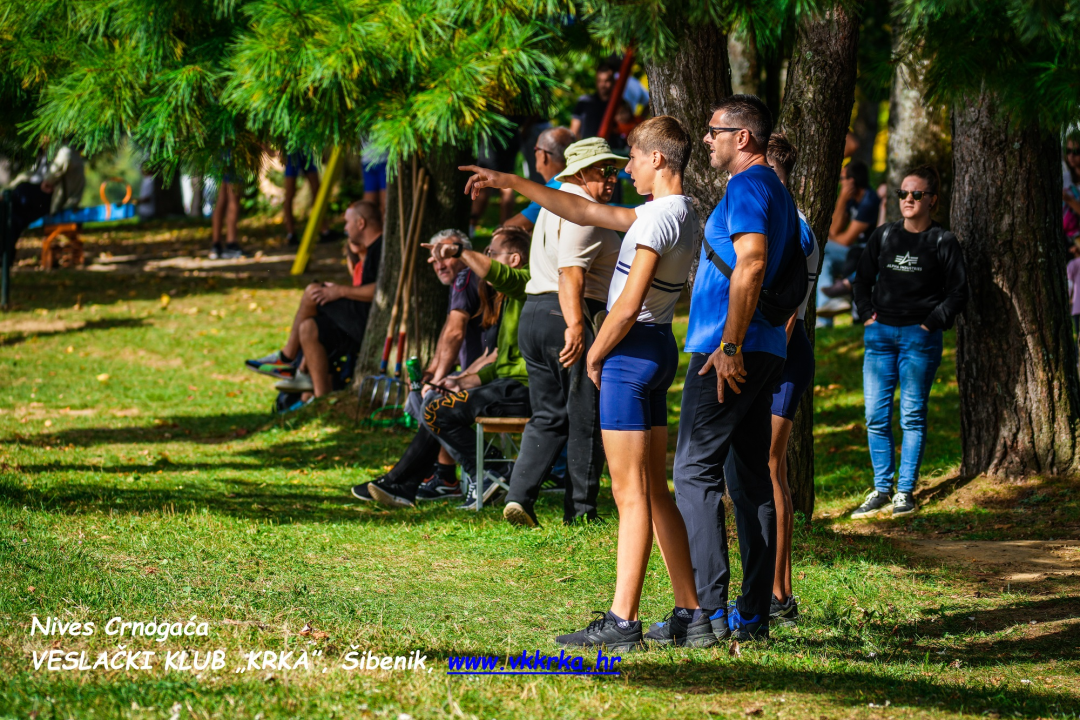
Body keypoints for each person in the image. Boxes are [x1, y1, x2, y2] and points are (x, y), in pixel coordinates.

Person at [461, 115, 714, 650]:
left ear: (659, 159)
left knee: (629, 493)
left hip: (629, 353)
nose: (630, 168)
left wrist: (596, 355)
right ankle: (692, 614)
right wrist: (513, 183)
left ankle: (623, 621)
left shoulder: (653, 222)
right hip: (658, 348)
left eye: (635, 158)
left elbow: (625, 305)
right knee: (652, 490)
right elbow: (581, 208)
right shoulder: (682, 211)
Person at [675, 94, 801, 642]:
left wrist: (728, 347)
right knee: (748, 481)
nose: (706, 138)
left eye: (713, 130)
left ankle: (707, 613)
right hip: (767, 348)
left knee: (693, 473)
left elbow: (750, 262)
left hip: (728, 354)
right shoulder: (776, 188)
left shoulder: (748, 185)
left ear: (742, 137)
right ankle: (752, 616)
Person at [482, 137, 624, 527]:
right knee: (585, 416)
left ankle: (519, 496)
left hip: (534, 312)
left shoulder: (553, 203)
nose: (612, 177)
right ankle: (580, 512)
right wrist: (576, 325)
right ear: (579, 173)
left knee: (548, 415)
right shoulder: (583, 211)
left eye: (614, 169)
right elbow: (570, 272)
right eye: (603, 170)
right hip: (568, 312)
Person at [363, 226, 533, 510]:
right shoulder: (507, 297)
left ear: (514, 260)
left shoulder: (525, 284)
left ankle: (489, 472)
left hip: (525, 391)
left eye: (492, 254)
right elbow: (501, 361)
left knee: (436, 408)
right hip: (506, 385)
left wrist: (460, 252)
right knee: (439, 401)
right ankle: (414, 482)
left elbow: (511, 365)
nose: (486, 260)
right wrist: (463, 381)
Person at [850, 165, 967, 520]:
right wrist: (868, 314)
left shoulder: (942, 241)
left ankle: (905, 491)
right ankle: (882, 489)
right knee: (875, 416)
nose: (909, 200)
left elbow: (958, 292)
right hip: (880, 336)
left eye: (916, 194)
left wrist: (932, 323)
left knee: (912, 416)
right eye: (903, 193)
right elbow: (861, 280)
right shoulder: (884, 236)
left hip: (920, 339)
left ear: (932, 199)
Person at [746, 132, 820, 627]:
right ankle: (768, 590)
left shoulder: (793, 225)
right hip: (764, 353)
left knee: (772, 468)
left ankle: (780, 593)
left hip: (781, 355)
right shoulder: (776, 216)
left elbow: (787, 312)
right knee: (762, 467)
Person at [245, 201, 382, 399]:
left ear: (361, 223)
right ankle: (319, 399)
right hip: (360, 321)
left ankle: (286, 358)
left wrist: (340, 291)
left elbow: (382, 291)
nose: (344, 228)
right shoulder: (371, 250)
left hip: (369, 325)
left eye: (347, 222)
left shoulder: (380, 248)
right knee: (308, 328)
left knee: (313, 292)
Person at [818, 161, 880, 324]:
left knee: (821, 246)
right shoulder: (852, 200)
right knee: (825, 261)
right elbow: (834, 230)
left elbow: (845, 240)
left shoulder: (869, 201)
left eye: (842, 178)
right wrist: (842, 199)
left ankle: (838, 298)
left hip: (865, 256)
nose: (841, 182)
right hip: (850, 253)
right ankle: (825, 317)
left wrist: (829, 238)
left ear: (852, 181)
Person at [3, 145, 85, 265]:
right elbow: (28, 175)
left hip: (51, 203)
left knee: (13, 212)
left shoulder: (65, 151)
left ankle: (5, 256)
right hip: (34, 201)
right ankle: (5, 256)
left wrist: (48, 180)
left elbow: (63, 159)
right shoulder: (48, 154)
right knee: (13, 217)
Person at [504, 127, 575, 232]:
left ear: (543, 155)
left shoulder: (553, 190)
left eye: (536, 149)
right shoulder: (575, 181)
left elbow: (510, 227)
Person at [281, 151, 331, 246]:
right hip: (291, 150)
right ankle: (291, 234)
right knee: (290, 193)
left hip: (306, 149)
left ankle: (324, 230)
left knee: (316, 190)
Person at [570, 65, 616, 141]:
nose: (603, 85)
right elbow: (574, 131)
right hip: (587, 149)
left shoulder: (620, 104)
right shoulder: (584, 102)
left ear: (613, 82)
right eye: (599, 81)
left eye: (606, 81)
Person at [361, 141, 388, 216]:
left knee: (386, 205)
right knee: (368, 207)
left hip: (386, 160)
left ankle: (384, 227)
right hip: (367, 160)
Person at [1062, 134, 1080, 242]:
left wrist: (1069, 199)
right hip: (1066, 238)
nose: (1071, 156)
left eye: (1076, 152)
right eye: (1068, 151)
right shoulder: (1064, 178)